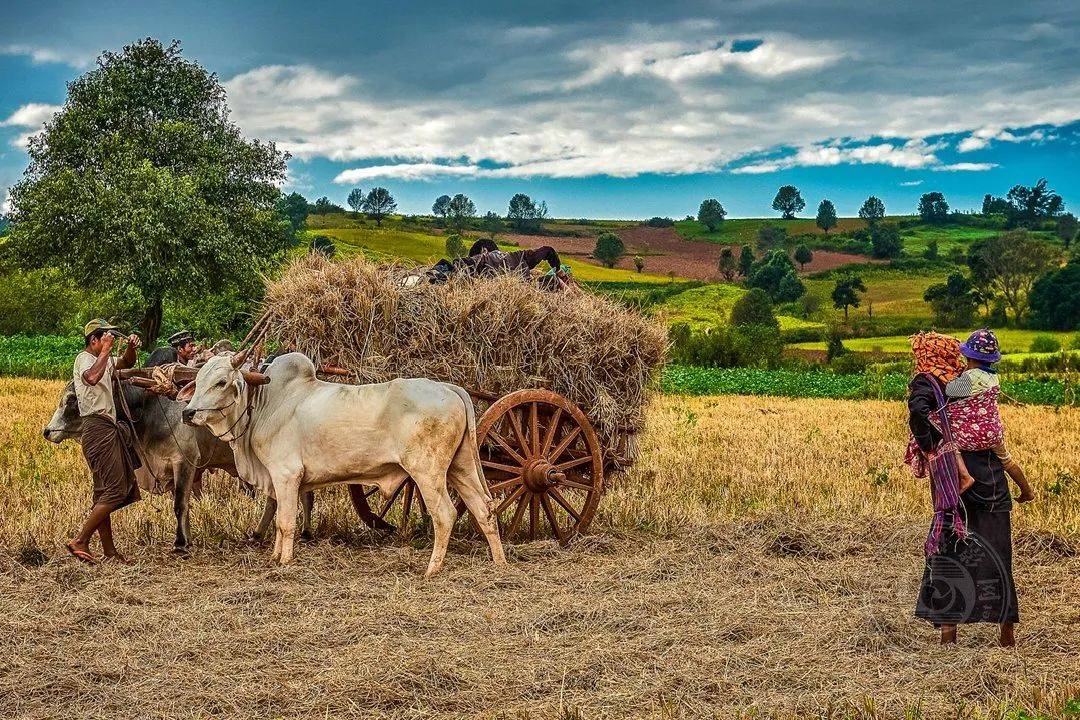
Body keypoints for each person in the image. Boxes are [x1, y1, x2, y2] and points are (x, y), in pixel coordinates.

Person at [905, 331, 1024, 647]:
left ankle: (948, 634)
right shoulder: (992, 383)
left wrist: (929, 442)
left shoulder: (955, 385)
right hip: (992, 473)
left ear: (968, 356)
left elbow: (932, 405)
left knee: (949, 544)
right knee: (998, 550)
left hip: (957, 474)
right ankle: (1006, 634)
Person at [65, 319, 143, 565]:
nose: (108, 342)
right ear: (94, 340)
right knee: (116, 490)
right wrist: (108, 350)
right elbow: (91, 378)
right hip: (97, 428)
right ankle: (80, 539)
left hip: (107, 427)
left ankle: (109, 551)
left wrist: (131, 346)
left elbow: (127, 363)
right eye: (105, 338)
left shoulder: (104, 360)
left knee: (103, 493)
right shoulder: (84, 359)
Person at [945, 329, 1034, 503]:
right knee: (1007, 461)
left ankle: (965, 477)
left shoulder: (968, 379)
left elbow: (949, 390)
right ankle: (1027, 491)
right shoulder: (993, 378)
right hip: (993, 431)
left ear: (968, 357)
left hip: (974, 434)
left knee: (947, 444)